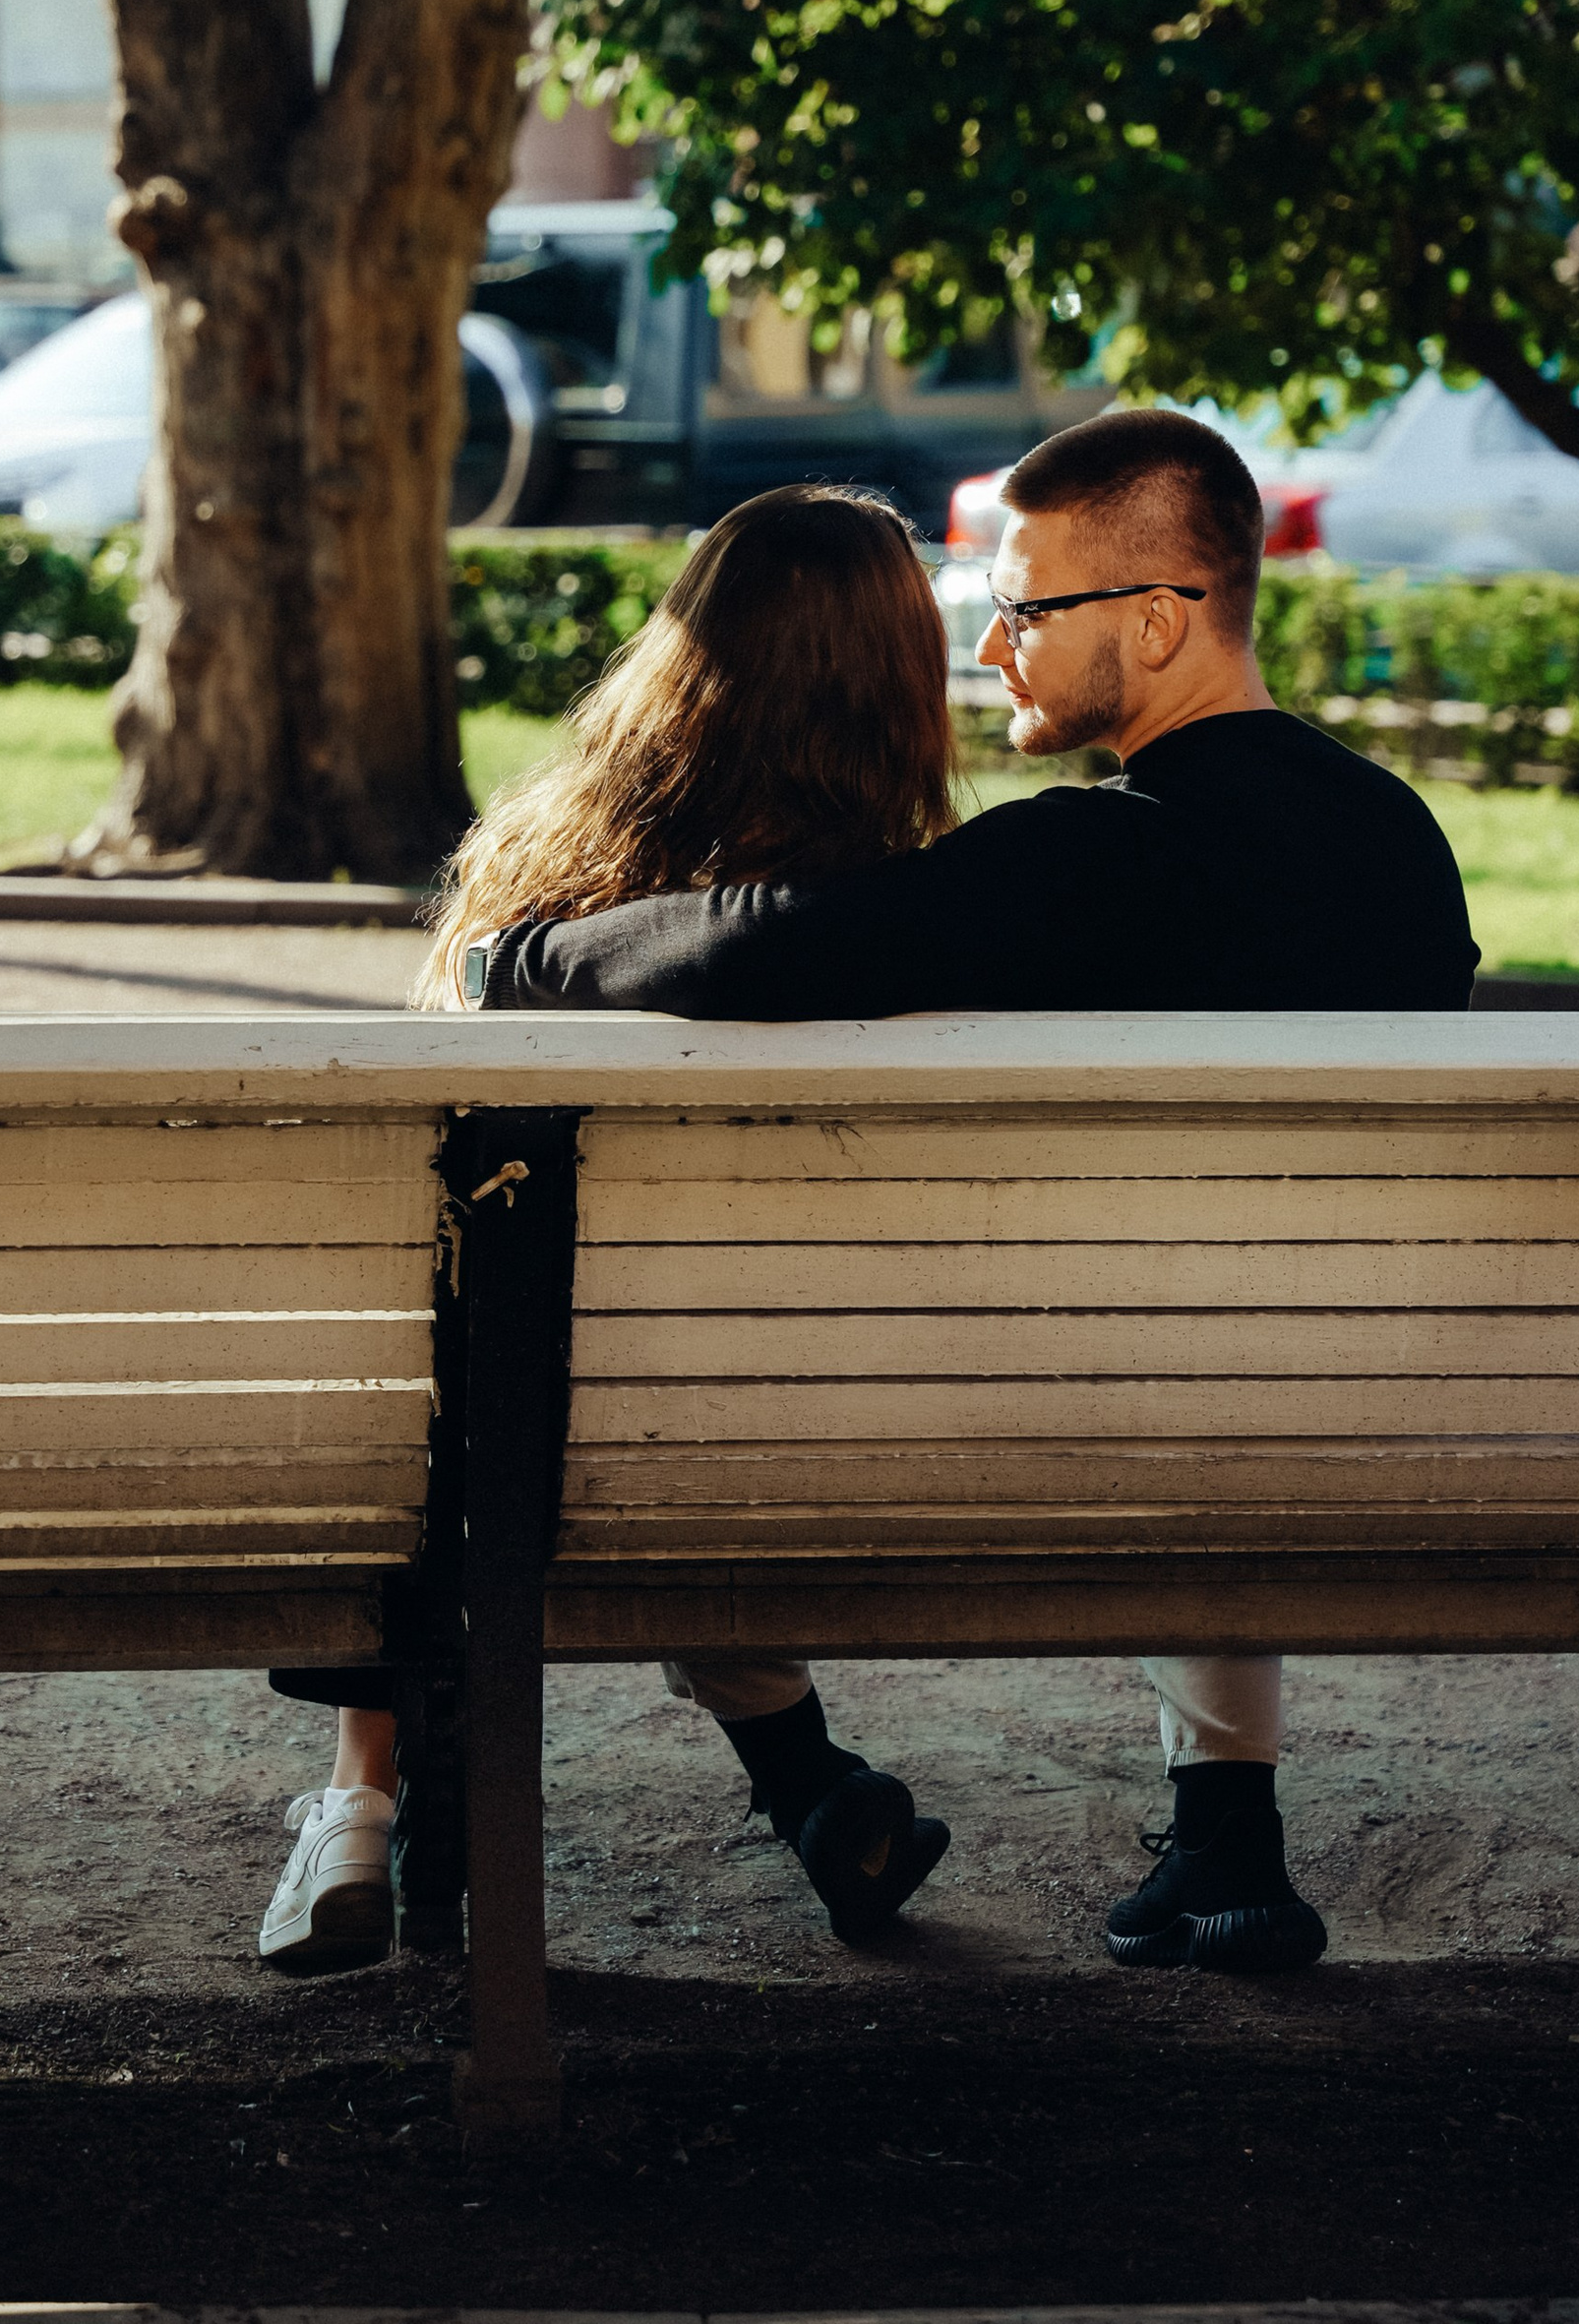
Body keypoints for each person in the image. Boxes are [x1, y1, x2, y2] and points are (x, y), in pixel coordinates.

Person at [471, 404, 1481, 1976]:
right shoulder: (1403, 845)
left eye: (1026, 606)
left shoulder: (1088, 862)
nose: (996, 644)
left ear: (1160, 621)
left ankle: (772, 1775)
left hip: (1051, 1418)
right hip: (1363, 1394)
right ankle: (1226, 1833)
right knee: (1209, 1342)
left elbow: (761, 947)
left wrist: (523, 960)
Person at [255, 486, 963, 1977]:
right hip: (813, 1422)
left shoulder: (548, 880)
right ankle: (806, 1781)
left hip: (529, 1430)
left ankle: (363, 1803)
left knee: (444, 1359)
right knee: (672, 1377)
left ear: (681, 653)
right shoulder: (926, 912)